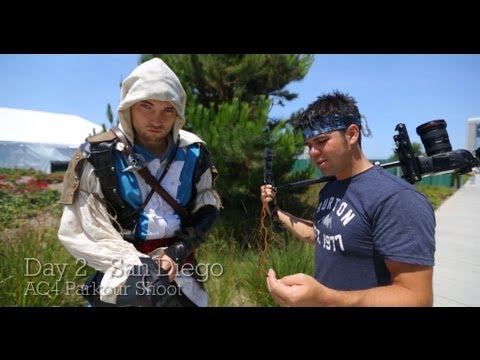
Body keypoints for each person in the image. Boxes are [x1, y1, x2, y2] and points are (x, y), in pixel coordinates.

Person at [58, 58, 222, 307]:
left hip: (181, 270)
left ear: (178, 112)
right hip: (120, 272)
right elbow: (80, 228)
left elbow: (207, 208)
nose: (157, 119)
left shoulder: (195, 152)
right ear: (129, 106)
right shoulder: (96, 154)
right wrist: (136, 265)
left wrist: (178, 250)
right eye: (146, 106)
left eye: (168, 109)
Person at [260, 90, 435, 307]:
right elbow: (323, 234)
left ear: (352, 134)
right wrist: (276, 212)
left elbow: (418, 298)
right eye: (309, 145)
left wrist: (326, 299)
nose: (313, 152)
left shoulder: (397, 200)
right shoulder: (331, 188)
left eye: (322, 141)